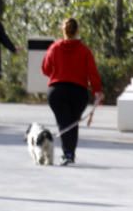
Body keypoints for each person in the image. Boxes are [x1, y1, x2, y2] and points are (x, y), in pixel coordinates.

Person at [41, 17, 103, 166]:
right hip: (78, 92)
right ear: (77, 31)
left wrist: (58, 74)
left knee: (63, 122)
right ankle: (69, 153)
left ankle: (67, 153)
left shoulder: (54, 48)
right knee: (73, 123)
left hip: (57, 90)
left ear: (63, 30)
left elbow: (45, 69)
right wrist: (97, 91)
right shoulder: (84, 50)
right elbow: (92, 73)